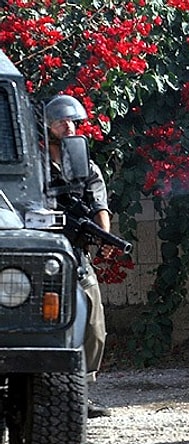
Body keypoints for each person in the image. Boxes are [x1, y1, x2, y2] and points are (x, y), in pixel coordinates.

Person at [45, 94, 113, 418]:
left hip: (76, 255)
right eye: (61, 121)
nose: (67, 126)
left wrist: (104, 237)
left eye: (72, 121)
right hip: (43, 254)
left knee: (95, 326)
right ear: (47, 126)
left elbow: (99, 205)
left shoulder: (85, 165)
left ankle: (80, 393)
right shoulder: (35, 164)